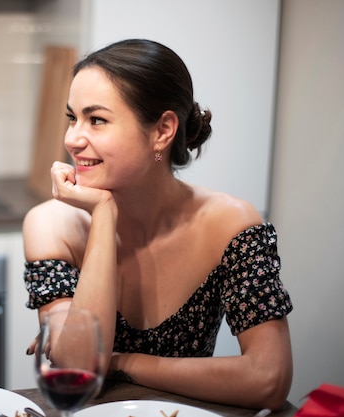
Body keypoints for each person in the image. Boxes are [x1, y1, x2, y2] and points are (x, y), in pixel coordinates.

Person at [23, 39, 293, 411]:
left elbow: (269, 379)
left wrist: (120, 362)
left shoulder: (232, 225)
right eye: (73, 117)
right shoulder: (50, 225)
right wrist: (103, 216)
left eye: (96, 120)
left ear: (163, 130)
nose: (72, 139)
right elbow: (79, 368)